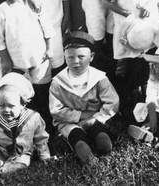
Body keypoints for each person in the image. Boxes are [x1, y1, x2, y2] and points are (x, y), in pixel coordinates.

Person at [0, 0, 57, 120]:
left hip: (39, 57)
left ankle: (45, 118)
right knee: (21, 90)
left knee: (42, 87)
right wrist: (6, 60)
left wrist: (50, 48)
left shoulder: (35, 5)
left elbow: (47, 27)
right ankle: (25, 119)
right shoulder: (3, 10)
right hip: (17, 61)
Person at [49, 33, 120, 167]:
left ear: (91, 57)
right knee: (74, 132)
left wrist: (97, 118)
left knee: (97, 128)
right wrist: (80, 116)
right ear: (65, 57)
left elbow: (112, 102)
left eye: (81, 57)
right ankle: (83, 150)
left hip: (94, 118)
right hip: (68, 121)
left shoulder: (99, 78)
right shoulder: (58, 82)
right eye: (70, 57)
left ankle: (101, 138)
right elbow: (56, 109)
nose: (76, 61)